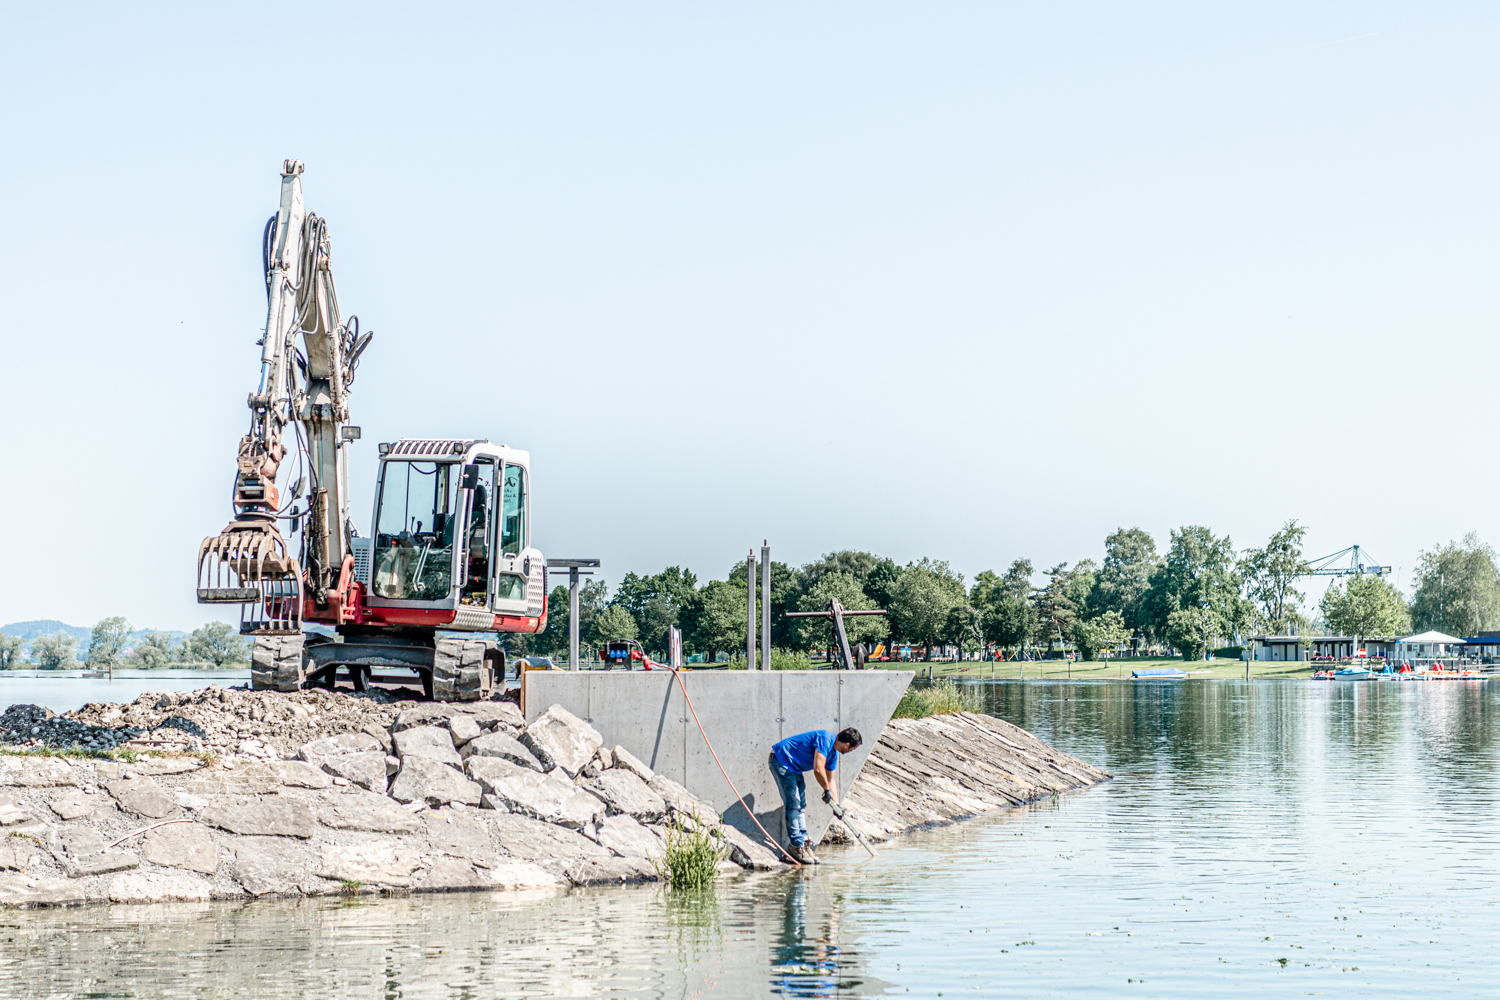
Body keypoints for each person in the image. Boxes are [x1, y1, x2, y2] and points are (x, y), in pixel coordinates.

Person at [769, 727, 862, 864]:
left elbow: (831, 781)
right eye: (851, 749)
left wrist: (836, 805)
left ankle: (802, 843)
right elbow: (818, 769)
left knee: (801, 805)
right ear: (847, 745)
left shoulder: (833, 755)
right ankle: (795, 846)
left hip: (794, 768)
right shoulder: (825, 738)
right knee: (793, 803)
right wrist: (826, 790)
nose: (850, 752)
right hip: (781, 759)